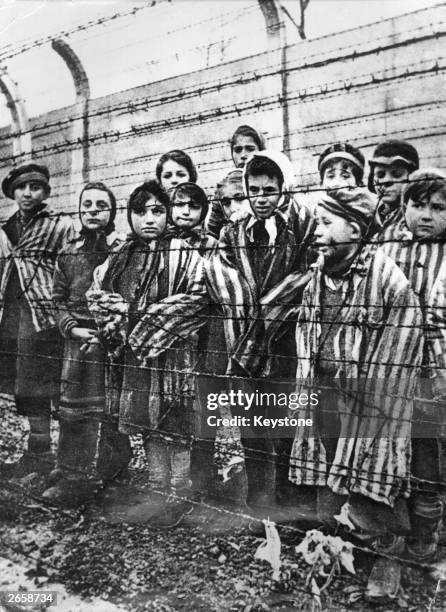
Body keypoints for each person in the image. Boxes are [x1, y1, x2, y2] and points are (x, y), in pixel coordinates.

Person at [289, 187, 423, 601]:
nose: (318, 231)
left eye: (327, 223)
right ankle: (335, 548)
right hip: (323, 393)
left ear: (356, 228)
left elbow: (400, 352)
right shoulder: (318, 275)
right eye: (317, 222)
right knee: (327, 477)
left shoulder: (387, 280)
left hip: (370, 402)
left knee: (373, 476)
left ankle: (389, 557)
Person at [88, 180, 208, 528]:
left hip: (172, 357)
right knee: (150, 426)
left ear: (169, 213)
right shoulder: (122, 255)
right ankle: (157, 490)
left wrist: (142, 315)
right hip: (136, 359)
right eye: (140, 212)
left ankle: (180, 493)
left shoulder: (183, 253)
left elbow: (198, 298)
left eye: (157, 211)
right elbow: (99, 293)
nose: (149, 219)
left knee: (176, 424)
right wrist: (113, 316)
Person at [206, 150, 314, 514]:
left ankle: (287, 490)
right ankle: (258, 497)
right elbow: (222, 276)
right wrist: (252, 314)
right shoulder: (233, 231)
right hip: (244, 343)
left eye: (270, 188)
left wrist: (271, 308)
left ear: (284, 188)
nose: (261, 197)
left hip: (286, 342)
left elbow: (309, 274)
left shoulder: (302, 227)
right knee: (251, 421)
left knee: (285, 419)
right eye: (254, 189)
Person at [41, 182, 123, 505]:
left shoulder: (121, 251)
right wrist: (72, 329)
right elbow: (58, 299)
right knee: (73, 409)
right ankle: (69, 469)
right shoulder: (68, 252)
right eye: (86, 205)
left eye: (100, 205)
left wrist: (106, 329)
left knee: (107, 410)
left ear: (112, 211)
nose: (92, 211)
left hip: (109, 340)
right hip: (76, 342)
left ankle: (105, 473)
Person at [381, 169, 446, 567]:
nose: (426, 215)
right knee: (388, 455)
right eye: (417, 204)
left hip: (434, 375)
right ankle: (388, 539)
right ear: (403, 206)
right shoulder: (388, 249)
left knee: (428, 459)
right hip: (392, 371)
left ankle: (425, 536)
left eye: (438, 208)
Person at [0, 163, 75, 478]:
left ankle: (63, 457)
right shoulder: (6, 228)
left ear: (45, 192)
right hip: (13, 313)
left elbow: (71, 266)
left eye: (35, 188)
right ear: (13, 192)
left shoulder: (60, 224)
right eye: (21, 188)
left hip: (44, 315)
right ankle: (38, 452)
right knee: (23, 385)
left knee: (44, 382)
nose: (27, 193)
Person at [206, 125, 266, 239]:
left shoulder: (271, 183)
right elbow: (213, 231)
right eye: (238, 150)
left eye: (250, 149)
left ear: (261, 150)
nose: (243, 155)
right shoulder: (224, 188)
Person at [367, 139, 419, 234]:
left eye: (397, 174)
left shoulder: (418, 220)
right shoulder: (368, 218)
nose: (386, 181)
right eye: (380, 175)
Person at [168, 182, 216, 256]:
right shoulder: (159, 239)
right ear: (170, 208)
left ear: (203, 211)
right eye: (179, 204)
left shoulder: (210, 244)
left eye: (194, 206)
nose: (186, 212)